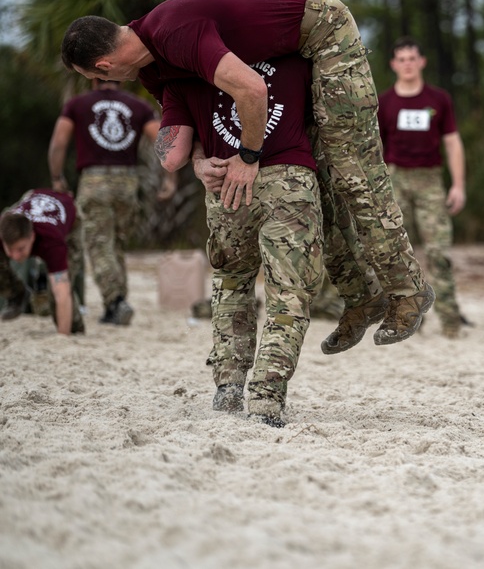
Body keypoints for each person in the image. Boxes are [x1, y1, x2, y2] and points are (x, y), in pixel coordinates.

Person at [60, 0, 433, 344]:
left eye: (94, 76)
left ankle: (409, 291)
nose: (100, 82)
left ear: (103, 65)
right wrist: (199, 160)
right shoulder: (152, 64)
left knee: (355, 177)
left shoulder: (172, 32)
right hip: (293, 52)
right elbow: (176, 140)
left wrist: (248, 157)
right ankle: (362, 299)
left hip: (325, 29)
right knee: (322, 187)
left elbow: (252, 89)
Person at [156, 53, 327, 427]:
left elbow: (170, 156)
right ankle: (267, 397)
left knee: (232, 282)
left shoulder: (185, 69)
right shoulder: (296, 59)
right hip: (289, 180)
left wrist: (200, 159)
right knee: (290, 291)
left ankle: (229, 387)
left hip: (225, 185)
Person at [48, 77, 176, 326]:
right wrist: (170, 180)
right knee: (116, 242)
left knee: (99, 244)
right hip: (127, 183)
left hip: (94, 181)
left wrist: (57, 178)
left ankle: (116, 301)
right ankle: (115, 305)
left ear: (93, 78)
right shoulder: (138, 105)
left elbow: (58, 143)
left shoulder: (78, 104)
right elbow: (165, 142)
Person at [378, 37, 466, 339]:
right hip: (396, 179)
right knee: (401, 253)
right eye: (401, 59)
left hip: (430, 180)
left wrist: (458, 184)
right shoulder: (385, 102)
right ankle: (409, 320)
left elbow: (452, 142)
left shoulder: (438, 99)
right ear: (393, 65)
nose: (407, 64)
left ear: (422, 62)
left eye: (412, 58)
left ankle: (451, 321)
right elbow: (375, 148)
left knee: (438, 251)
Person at [0, 189, 85, 335]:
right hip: (31, 196)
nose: (15, 256)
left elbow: (61, 292)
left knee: (57, 289)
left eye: (21, 249)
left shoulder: (52, 242)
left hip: (70, 214)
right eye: (10, 249)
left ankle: (75, 326)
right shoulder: (3, 231)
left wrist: (62, 338)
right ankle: (16, 293)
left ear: (32, 237)